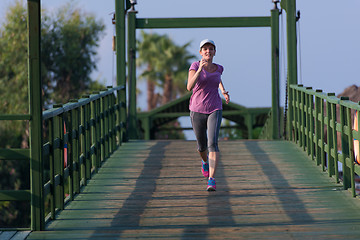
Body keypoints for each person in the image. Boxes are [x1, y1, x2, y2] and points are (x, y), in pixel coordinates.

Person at [187, 39, 230, 191]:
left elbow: (217, 79)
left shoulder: (219, 68)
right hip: (197, 109)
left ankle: (211, 179)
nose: (208, 51)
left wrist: (223, 91)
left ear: (214, 52)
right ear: (200, 52)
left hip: (214, 108)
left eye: (211, 49)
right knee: (201, 145)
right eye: (205, 49)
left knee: (213, 144)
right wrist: (199, 70)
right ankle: (204, 162)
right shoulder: (194, 66)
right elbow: (189, 87)